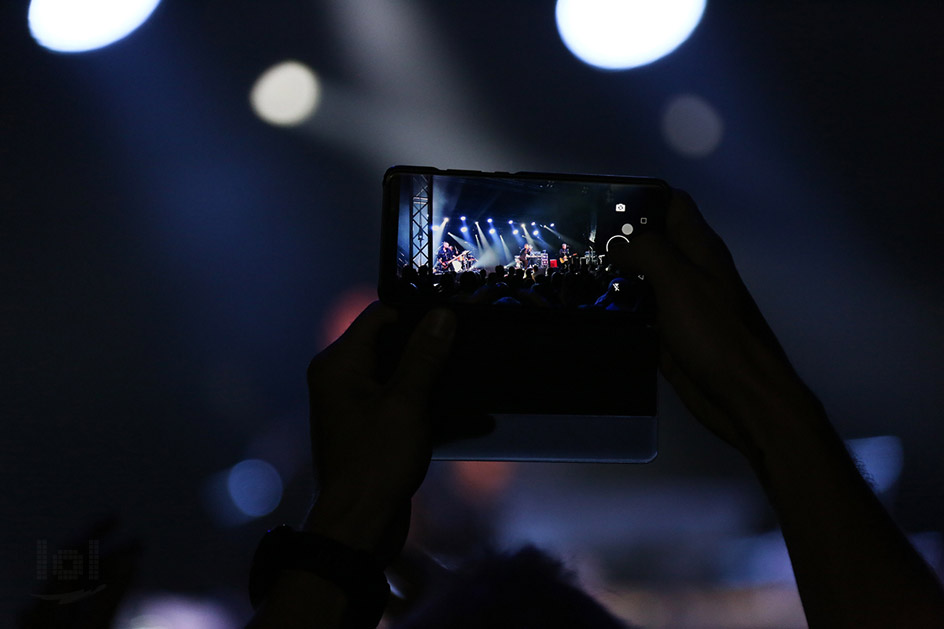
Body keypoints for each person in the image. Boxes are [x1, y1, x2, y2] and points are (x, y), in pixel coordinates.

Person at [246, 191, 944, 628]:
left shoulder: (477, 445)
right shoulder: (406, 469)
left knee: (657, 528)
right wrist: (772, 409)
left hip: (555, 533)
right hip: (529, 545)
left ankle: (757, 526)